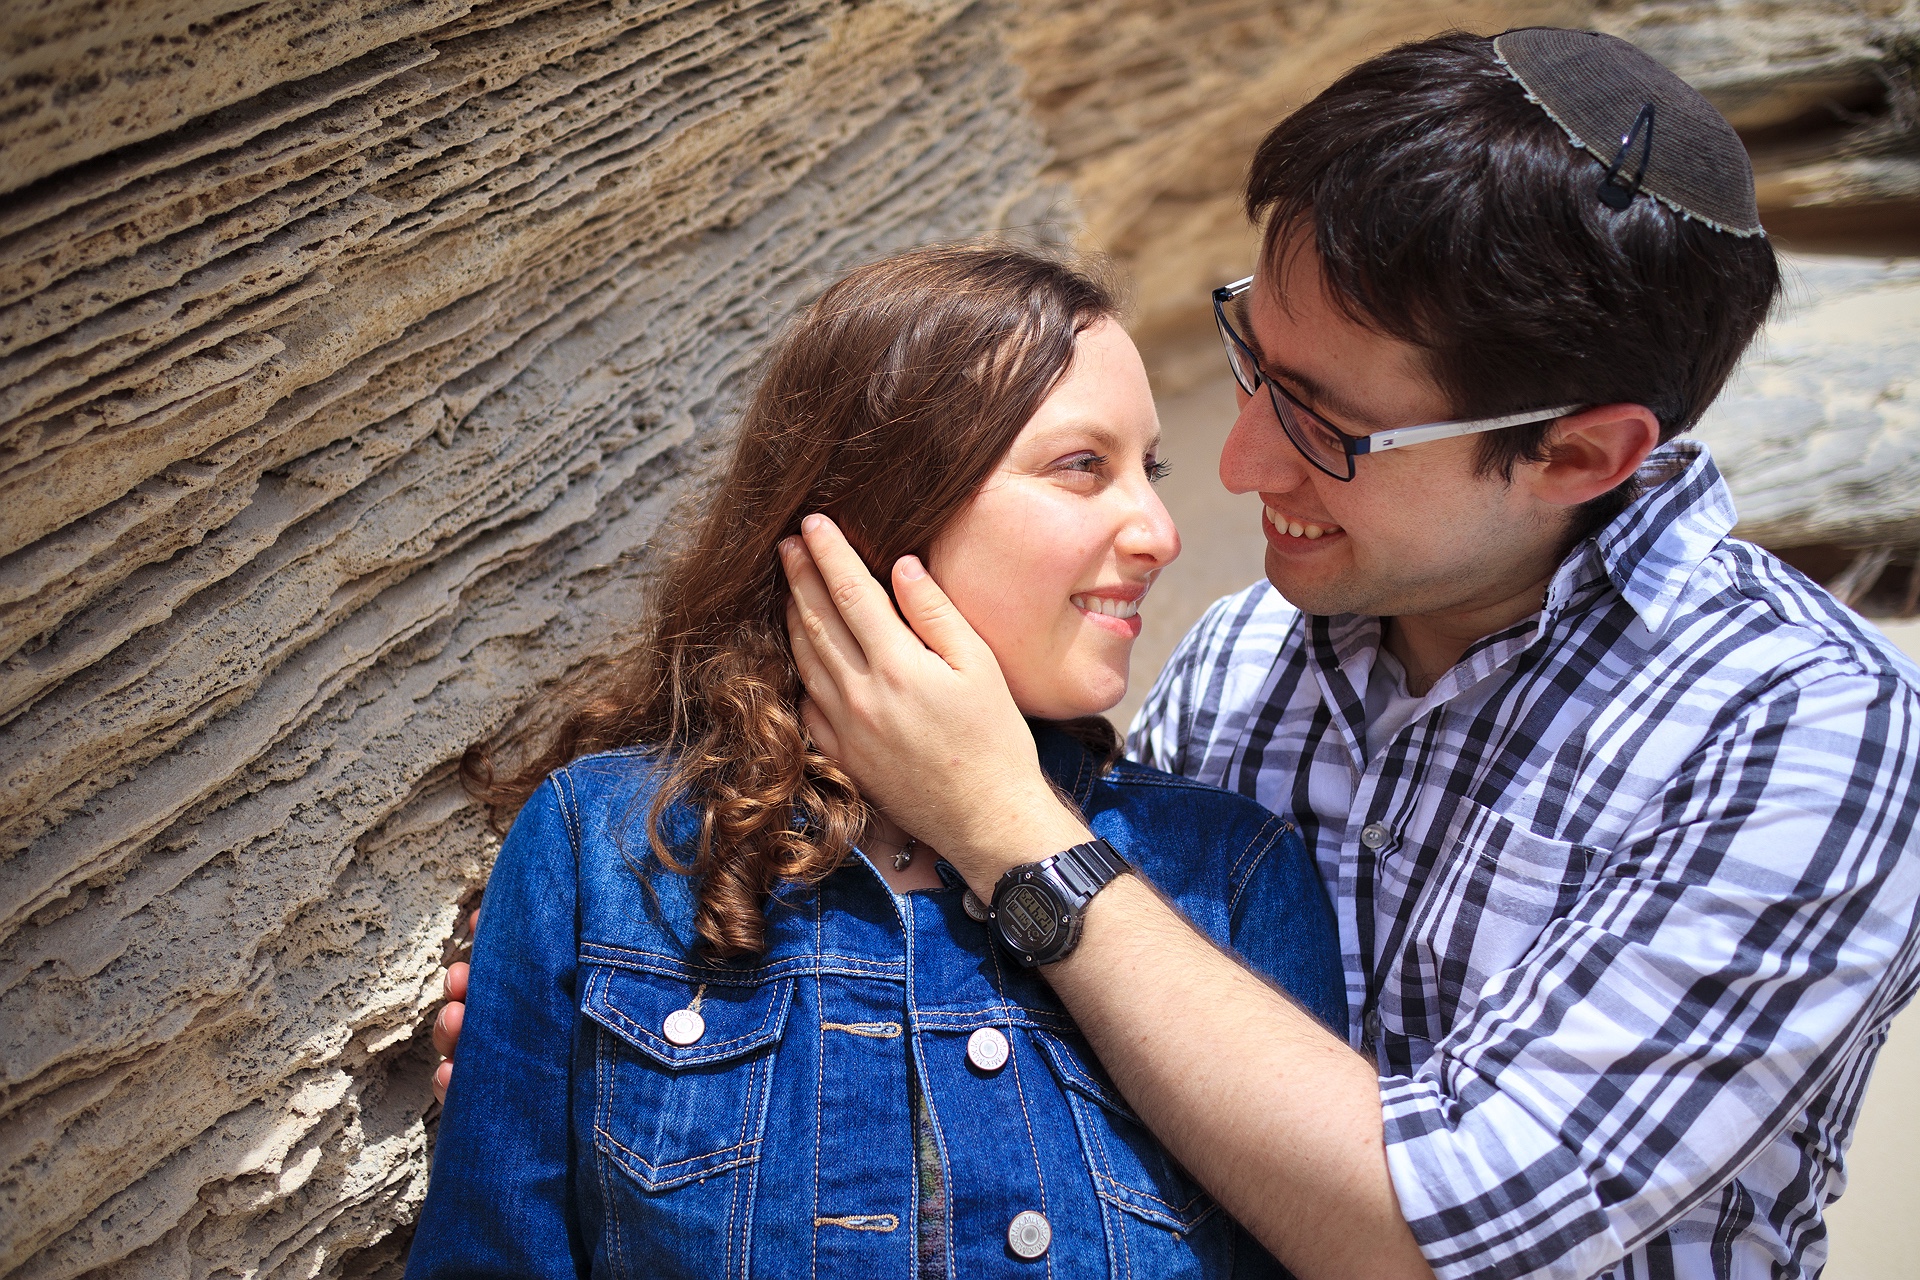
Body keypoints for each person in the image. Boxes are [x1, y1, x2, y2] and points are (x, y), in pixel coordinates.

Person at [766, 29, 1920, 1280]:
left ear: (1583, 455)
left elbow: (1437, 1236)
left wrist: (1007, 825)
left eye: (1326, 422)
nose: (1241, 463)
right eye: (1251, 357)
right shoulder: (1245, 656)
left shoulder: (1807, 732)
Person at [406, 245, 1345, 1278]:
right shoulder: (603, 852)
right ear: (894, 494)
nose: (1160, 530)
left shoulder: (1231, 876)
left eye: (1149, 470)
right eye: (1084, 466)